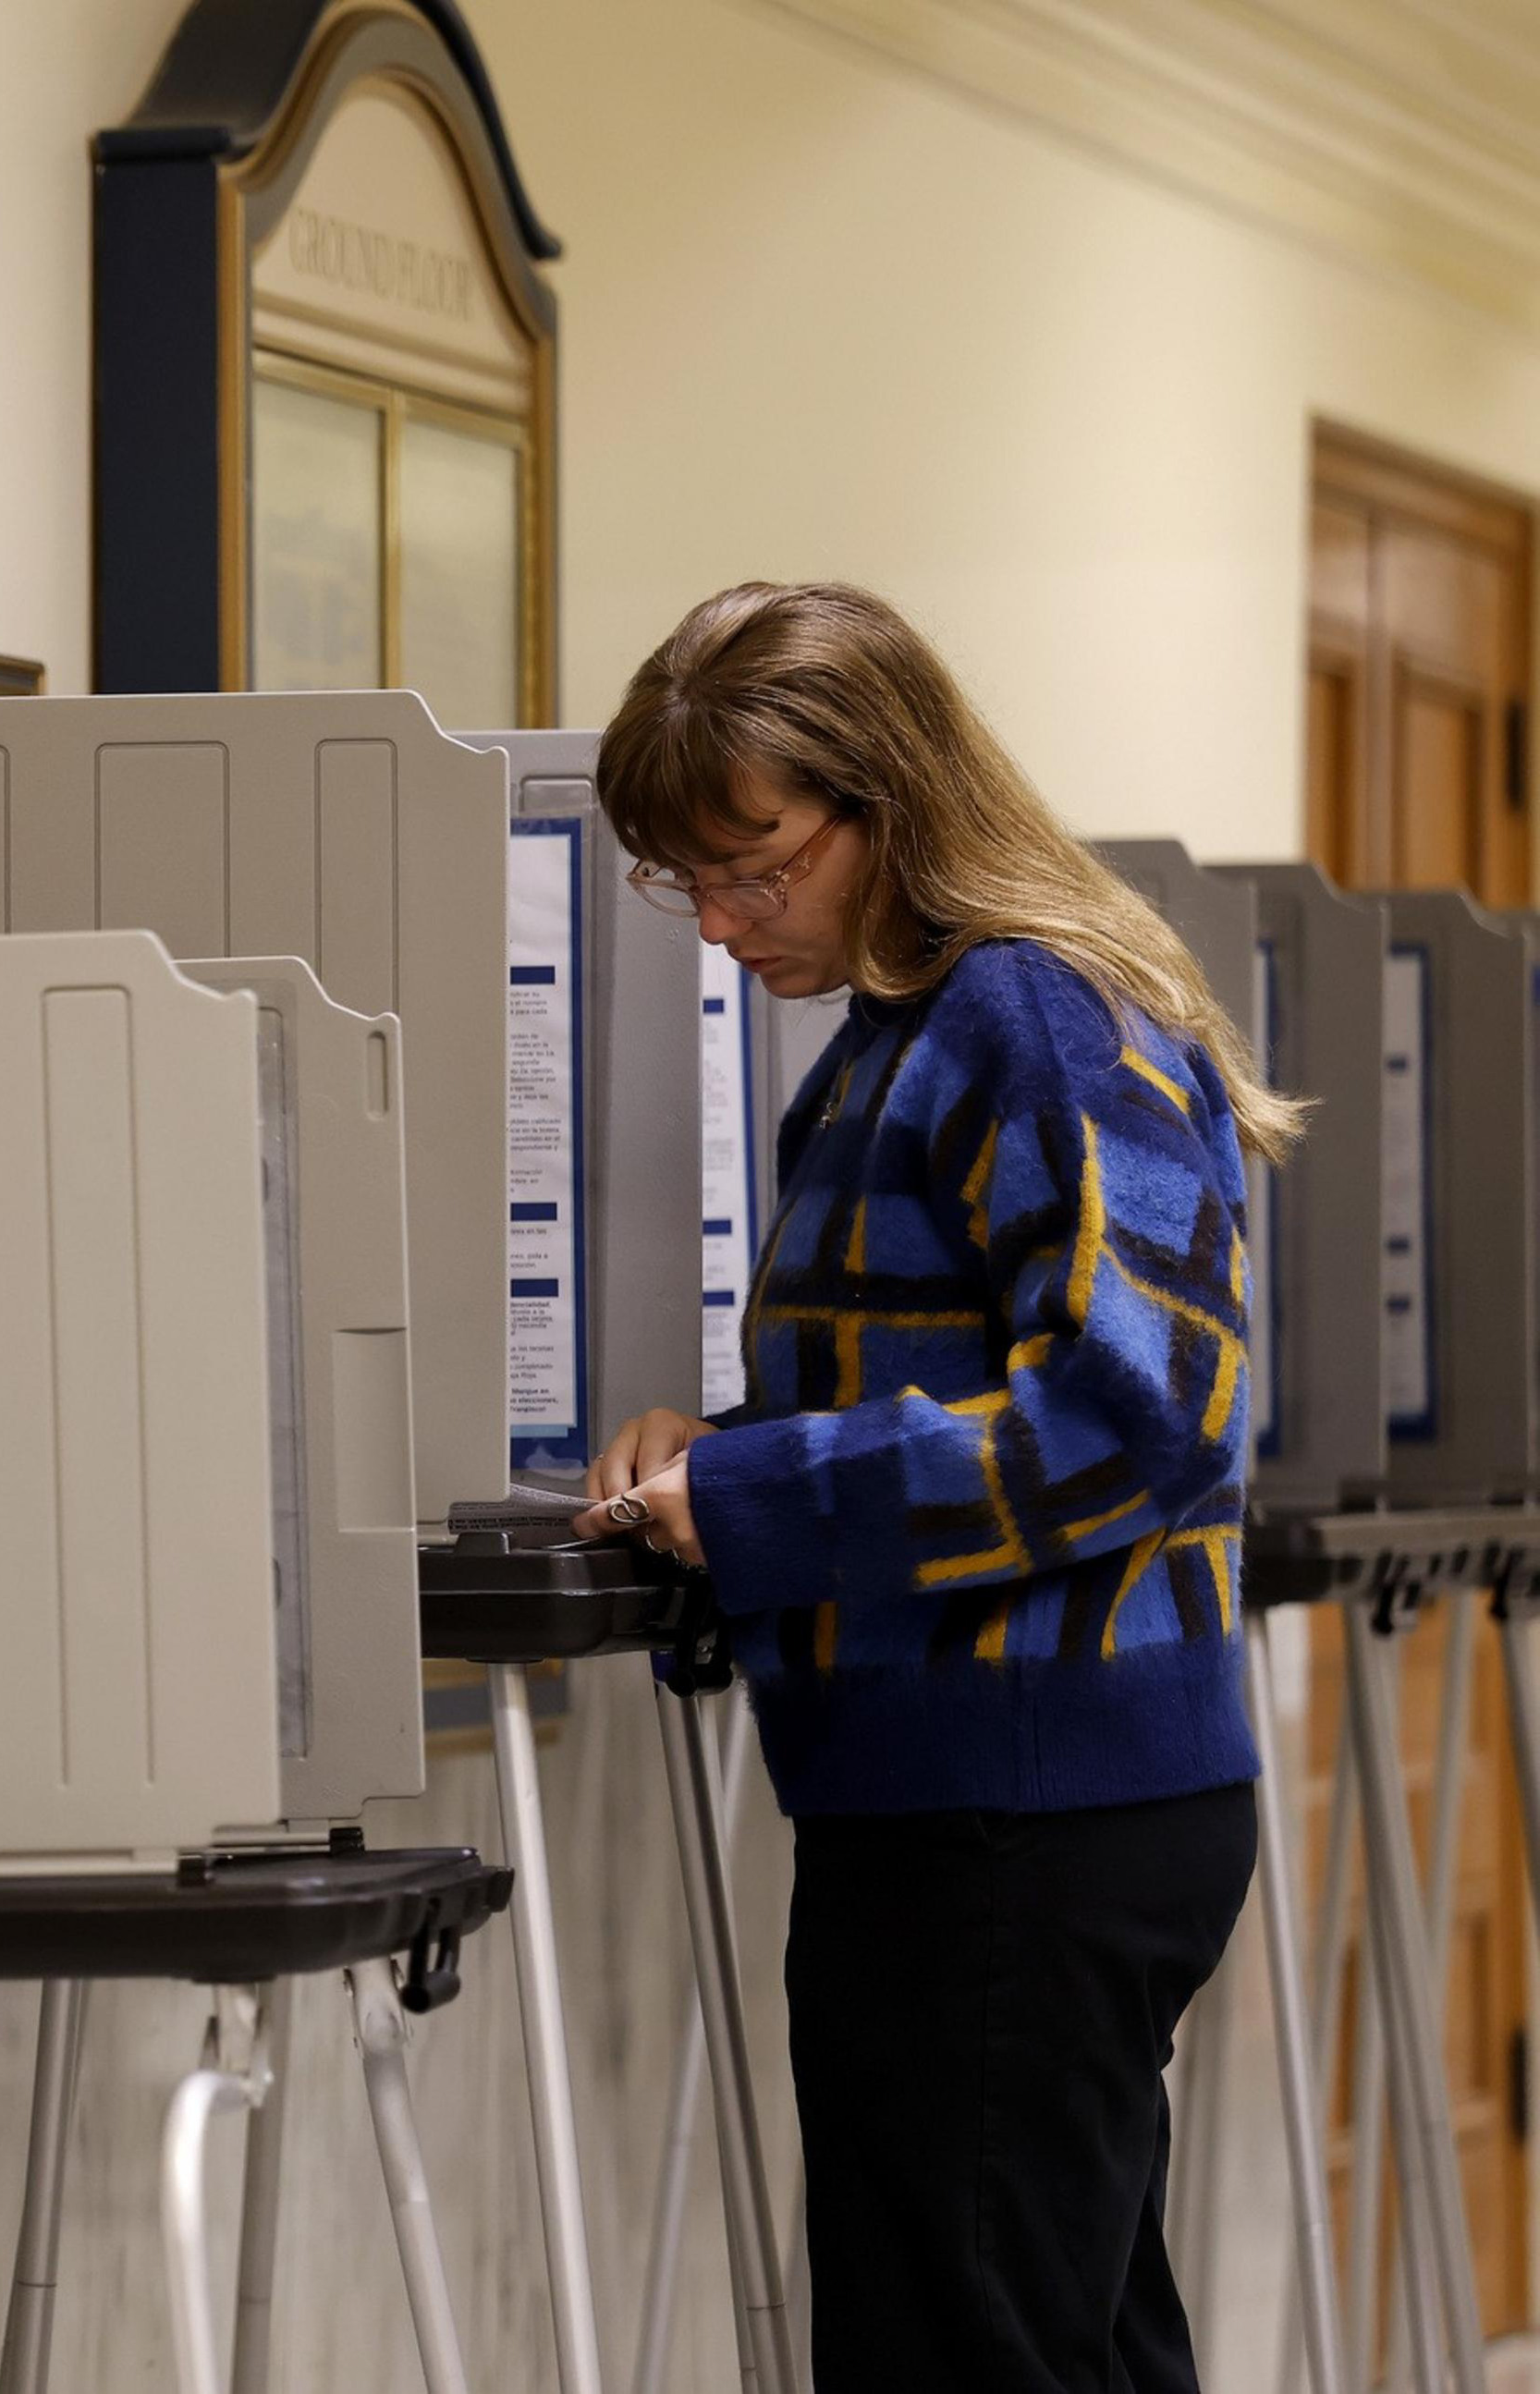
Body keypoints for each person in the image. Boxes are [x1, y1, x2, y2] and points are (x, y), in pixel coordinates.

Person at [567, 582, 1303, 2393]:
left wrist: (755, 1497)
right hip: (1003, 1799)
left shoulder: (1022, 1013)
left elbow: (1139, 1416)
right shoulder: (909, 1029)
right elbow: (944, 1385)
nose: (722, 922)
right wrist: (721, 1452)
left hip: (1019, 1807)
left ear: (881, 796)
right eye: (686, 883)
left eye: (749, 867)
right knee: (1057, 2344)